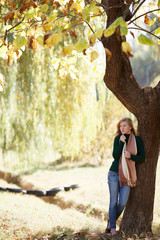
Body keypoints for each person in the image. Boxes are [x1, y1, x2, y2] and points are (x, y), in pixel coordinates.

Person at [105, 117, 145, 236]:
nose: (122, 128)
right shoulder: (118, 138)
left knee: (122, 202)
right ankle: (112, 229)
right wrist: (122, 142)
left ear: (130, 127)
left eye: (124, 126)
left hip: (127, 175)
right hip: (114, 174)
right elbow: (115, 156)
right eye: (120, 126)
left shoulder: (137, 140)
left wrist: (131, 156)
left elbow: (142, 158)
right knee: (113, 202)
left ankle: (110, 221)